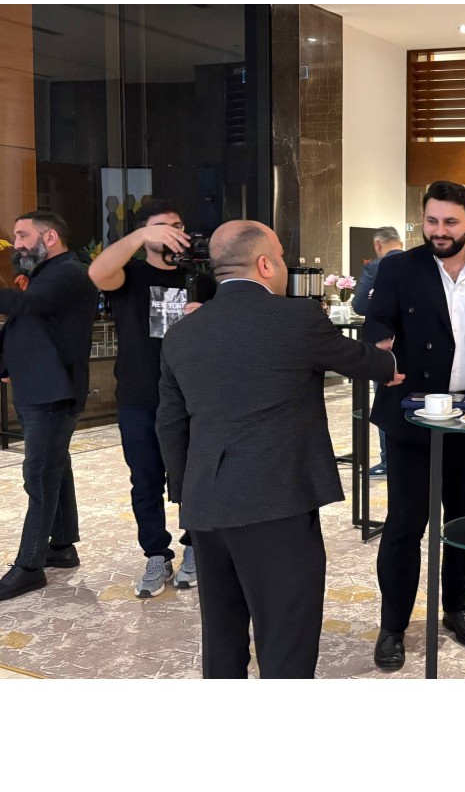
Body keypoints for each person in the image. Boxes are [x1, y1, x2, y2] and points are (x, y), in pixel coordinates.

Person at [156, 221, 400, 678]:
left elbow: (169, 423)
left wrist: (187, 491)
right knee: (286, 636)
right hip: (276, 501)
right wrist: (389, 361)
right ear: (265, 264)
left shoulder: (182, 333)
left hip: (205, 505)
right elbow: (359, 361)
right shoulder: (297, 317)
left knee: (222, 633)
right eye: (283, 259)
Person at [363, 180, 465, 672]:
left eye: (450, 222)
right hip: (413, 412)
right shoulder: (398, 267)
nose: (439, 230)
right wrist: (379, 344)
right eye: (432, 221)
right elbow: (375, 321)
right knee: (406, 523)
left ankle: (456, 607)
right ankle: (392, 625)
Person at [87, 198, 217, 597]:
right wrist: (141, 235)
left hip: (192, 397)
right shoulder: (129, 276)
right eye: (163, 226)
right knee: (144, 480)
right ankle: (156, 554)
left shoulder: (201, 279)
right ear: (145, 233)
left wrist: (207, 317)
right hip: (139, 395)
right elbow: (97, 273)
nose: (174, 233)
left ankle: (195, 547)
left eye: (178, 225)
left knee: (193, 478)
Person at [0, 211, 97, 602]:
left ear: (51, 237)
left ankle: (29, 566)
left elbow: (27, 306)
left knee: (39, 475)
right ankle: (61, 545)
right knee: (55, 468)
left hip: (52, 392)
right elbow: (28, 325)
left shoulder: (69, 272)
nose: (17, 244)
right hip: (39, 388)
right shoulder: (46, 275)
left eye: (23, 235)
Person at [352, 225, 405, 476]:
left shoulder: (376, 267)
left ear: (377, 244)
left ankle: (388, 461)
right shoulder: (419, 264)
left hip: (385, 347)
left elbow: (360, 305)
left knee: (385, 402)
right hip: (417, 347)